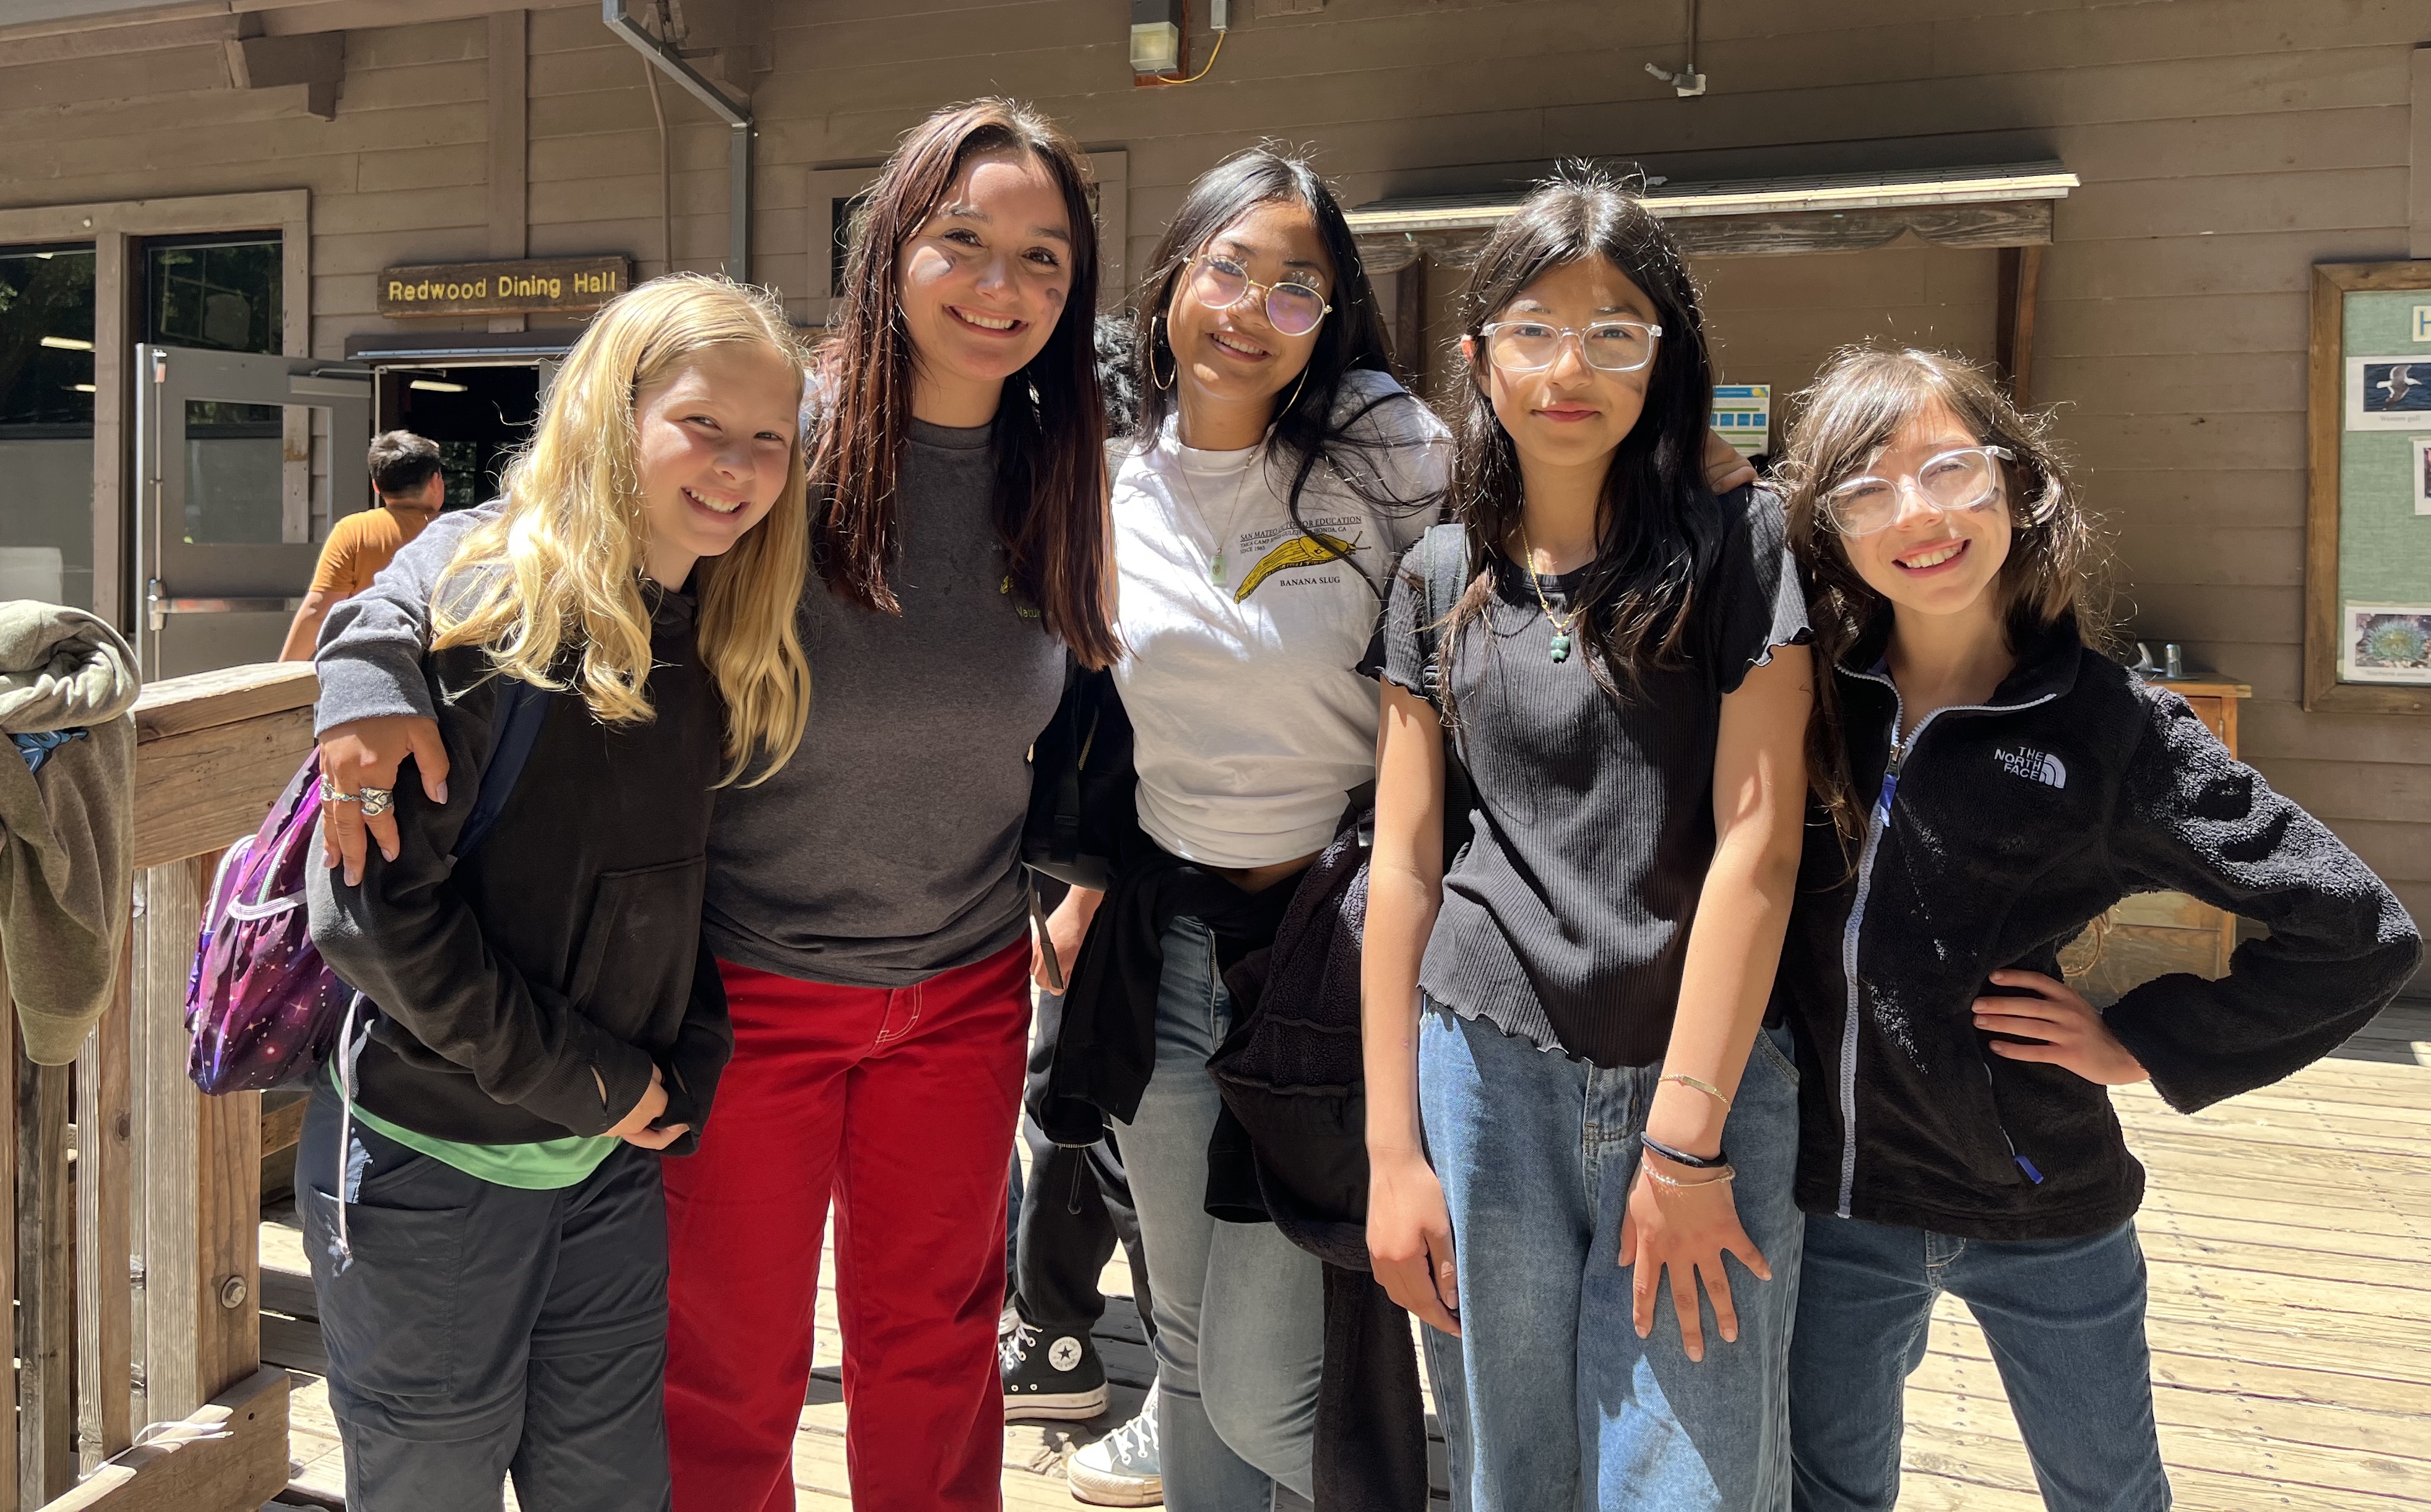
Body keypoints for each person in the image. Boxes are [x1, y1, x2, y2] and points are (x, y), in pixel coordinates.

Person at [312, 100, 1120, 1512]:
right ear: (893, 249)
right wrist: (366, 657)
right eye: (966, 240)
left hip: (965, 982)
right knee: (725, 1371)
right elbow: (511, 523)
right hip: (746, 984)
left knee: (935, 1351)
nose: (1005, 286)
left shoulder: (1057, 468)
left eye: (1045, 258)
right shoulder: (779, 426)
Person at [1772, 345, 2422, 1512]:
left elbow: (2356, 929)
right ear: (1830, 530)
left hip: (2042, 1204)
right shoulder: (1801, 700)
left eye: (1950, 469)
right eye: (1866, 487)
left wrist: (2144, 1041)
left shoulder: (2113, 727)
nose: (1915, 514)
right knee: (1827, 1493)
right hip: (1835, 1204)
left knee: (2108, 1493)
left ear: (2017, 486)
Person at [298, 275, 814, 1512]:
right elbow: (366, 916)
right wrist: (593, 1078)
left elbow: (679, 892)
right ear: (611, 412)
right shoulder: (490, 618)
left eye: (770, 442)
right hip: (429, 1164)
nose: (738, 467)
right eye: (703, 424)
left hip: (605, 1167)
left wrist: (678, 1067)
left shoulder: (717, 631)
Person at [1362, 171, 1813, 1511]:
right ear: (1477, 355)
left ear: (1665, 356)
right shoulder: (1439, 577)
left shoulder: (1738, 542)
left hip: (1710, 1087)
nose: (1573, 367)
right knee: (1516, 1474)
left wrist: (1682, 1144)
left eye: (1617, 330)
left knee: (1693, 1481)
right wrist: (1392, 1154)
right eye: (1535, 330)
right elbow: (1402, 864)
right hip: (1486, 1079)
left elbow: (1761, 843)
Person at [1036, 149, 1449, 1512]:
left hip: (1328, 959)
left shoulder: (1378, 460)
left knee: (1275, 1385)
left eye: (1298, 286)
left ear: (1334, 320)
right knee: (1187, 1343)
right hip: (1168, 951)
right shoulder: (1105, 483)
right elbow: (1097, 713)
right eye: (1229, 265)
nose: (1253, 306)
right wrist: (1086, 877)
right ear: (1173, 280)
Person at [281, 431, 445, 661]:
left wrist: (284, 673)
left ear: (376, 486)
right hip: (445, 672)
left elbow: (318, 611)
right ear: (435, 482)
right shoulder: (462, 534)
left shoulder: (354, 532)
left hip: (372, 664)